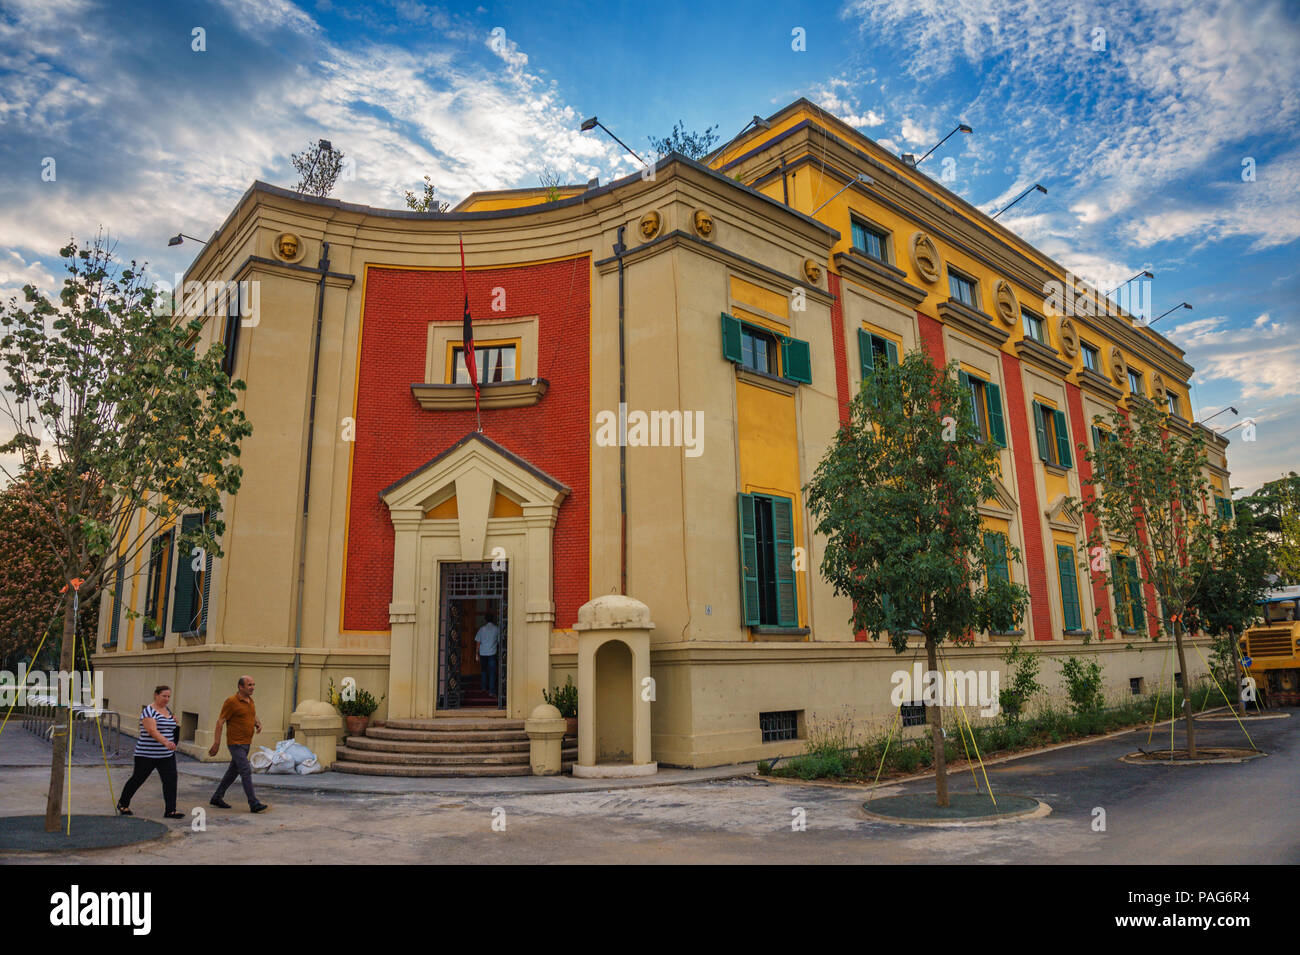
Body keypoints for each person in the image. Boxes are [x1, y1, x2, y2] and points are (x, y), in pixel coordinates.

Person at [117, 685, 185, 819]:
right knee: (138, 779)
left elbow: (172, 729)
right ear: (156, 695)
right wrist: (165, 742)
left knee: (171, 781)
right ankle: (123, 803)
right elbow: (152, 731)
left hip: (166, 755)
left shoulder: (167, 710)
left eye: (168, 696)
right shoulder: (148, 711)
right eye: (164, 696)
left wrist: (175, 725)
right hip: (146, 754)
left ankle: (171, 810)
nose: (166, 699)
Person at [208, 675, 269, 813]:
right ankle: (253, 803)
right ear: (240, 687)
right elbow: (220, 721)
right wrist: (216, 743)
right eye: (249, 685)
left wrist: (257, 723)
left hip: (246, 742)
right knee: (245, 770)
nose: (252, 687)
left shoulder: (250, 700)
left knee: (232, 772)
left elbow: (251, 714)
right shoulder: (231, 701)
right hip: (235, 743)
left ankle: (217, 797)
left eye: (253, 684)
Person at [474, 612, 500, 697]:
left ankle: (484, 688)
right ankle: (492, 691)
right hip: (492, 653)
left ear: (485, 620)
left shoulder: (482, 629)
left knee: (484, 671)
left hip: (483, 653)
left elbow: (478, 642)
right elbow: (499, 641)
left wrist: (476, 653)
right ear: (493, 619)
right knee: (492, 672)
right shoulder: (497, 629)